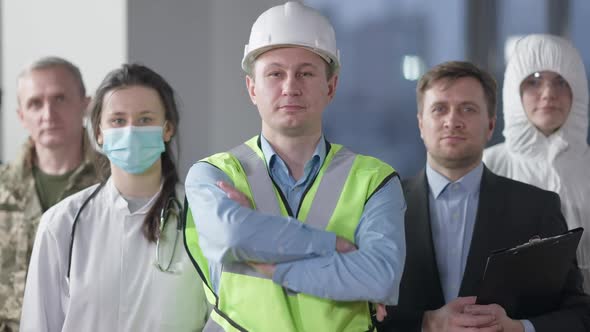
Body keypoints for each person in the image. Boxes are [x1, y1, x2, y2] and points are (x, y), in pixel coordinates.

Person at [183, 2, 406, 331]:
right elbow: (231, 234)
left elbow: (380, 277)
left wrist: (265, 259)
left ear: (330, 87)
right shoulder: (212, 175)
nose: (290, 86)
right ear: (252, 88)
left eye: (306, 73)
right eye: (275, 73)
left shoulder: (375, 181)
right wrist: (333, 246)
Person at [380, 61, 590, 332]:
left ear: (491, 125)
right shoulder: (380, 204)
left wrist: (518, 328)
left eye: (468, 109)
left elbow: (579, 315)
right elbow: (355, 311)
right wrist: (427, 323)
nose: (452, 121)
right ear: (421, 124)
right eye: (439, 109)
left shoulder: (538, 207)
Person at [20, 64, 209, 331]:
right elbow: (38, 324)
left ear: (167, 129)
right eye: (118, 121)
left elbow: (222, 317)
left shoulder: (202, 216)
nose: (131, 131)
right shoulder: (62, 223)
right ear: (99, 132)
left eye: (145, 119)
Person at [483, 34, 590, 292]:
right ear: (513, 91)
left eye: (561, 81)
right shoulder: (489, 164)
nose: (548, 94)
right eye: (534, 81)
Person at [0, 56, 99, 332]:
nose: (48, 114)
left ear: (85, 104)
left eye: (60, 99)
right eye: (35, 103)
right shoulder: (3, 188)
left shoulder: (115, 185)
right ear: (21, 116)